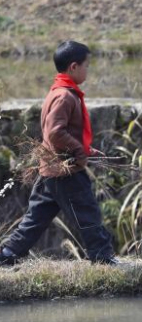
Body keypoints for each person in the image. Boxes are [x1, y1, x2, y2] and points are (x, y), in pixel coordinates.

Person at [0, 41, 118, 265]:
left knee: (36, 218)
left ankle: (8, 255)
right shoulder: (65, 96)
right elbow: (55, 133)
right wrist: (77, 150)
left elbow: (60, 133)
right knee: (87, 213)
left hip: (51, 169)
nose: (88, 70)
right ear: (73, 67)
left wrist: (87, 149)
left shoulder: (57, 92)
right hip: (66, 171)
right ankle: (102, 258)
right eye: (86, 65)